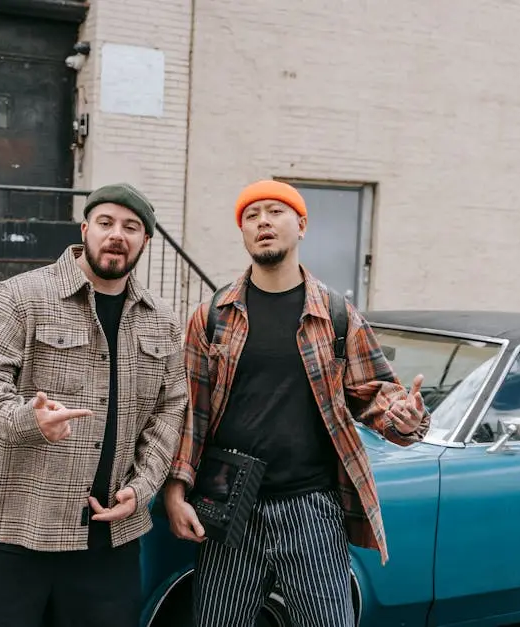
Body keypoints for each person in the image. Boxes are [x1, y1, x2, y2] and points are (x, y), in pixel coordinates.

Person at [163, 179, 430, 627]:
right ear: (244, 232)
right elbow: (191, 412)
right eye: (251, 216)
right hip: (228, 509)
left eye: (275, 212)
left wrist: (404, 417)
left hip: (312, 509)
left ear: (301, 225)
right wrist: (175, 490)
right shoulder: (212, 316)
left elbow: (378, 398)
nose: (263, 222)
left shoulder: (337, 316)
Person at [0, 183, 187, 627]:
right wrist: (25, 418)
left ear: (145, 241)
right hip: (12, 529)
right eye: (106, 223)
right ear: (85, 228)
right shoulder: (22, 296)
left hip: (109, 542)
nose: (117, 235)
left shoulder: (162, 321)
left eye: (131, 227)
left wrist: (143, 487)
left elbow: (171, 410)